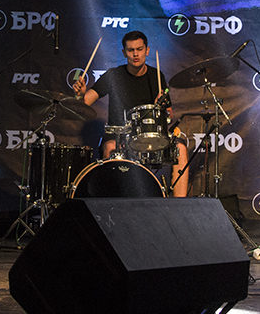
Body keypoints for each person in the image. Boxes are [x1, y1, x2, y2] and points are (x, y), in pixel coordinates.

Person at [73, 30, 190, 197]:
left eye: (139, 49)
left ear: (147, 50)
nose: (135, 54)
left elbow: (169, 115)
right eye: (131, 50)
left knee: (180, 148)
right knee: (110, 147)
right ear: (124, 52)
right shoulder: (113, 75)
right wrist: (79, 94)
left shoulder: (156, 76)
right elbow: (85, 102)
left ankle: (179, 205)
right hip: (119, 135)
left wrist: (162, 108)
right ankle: (110, 205)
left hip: (148, 136)